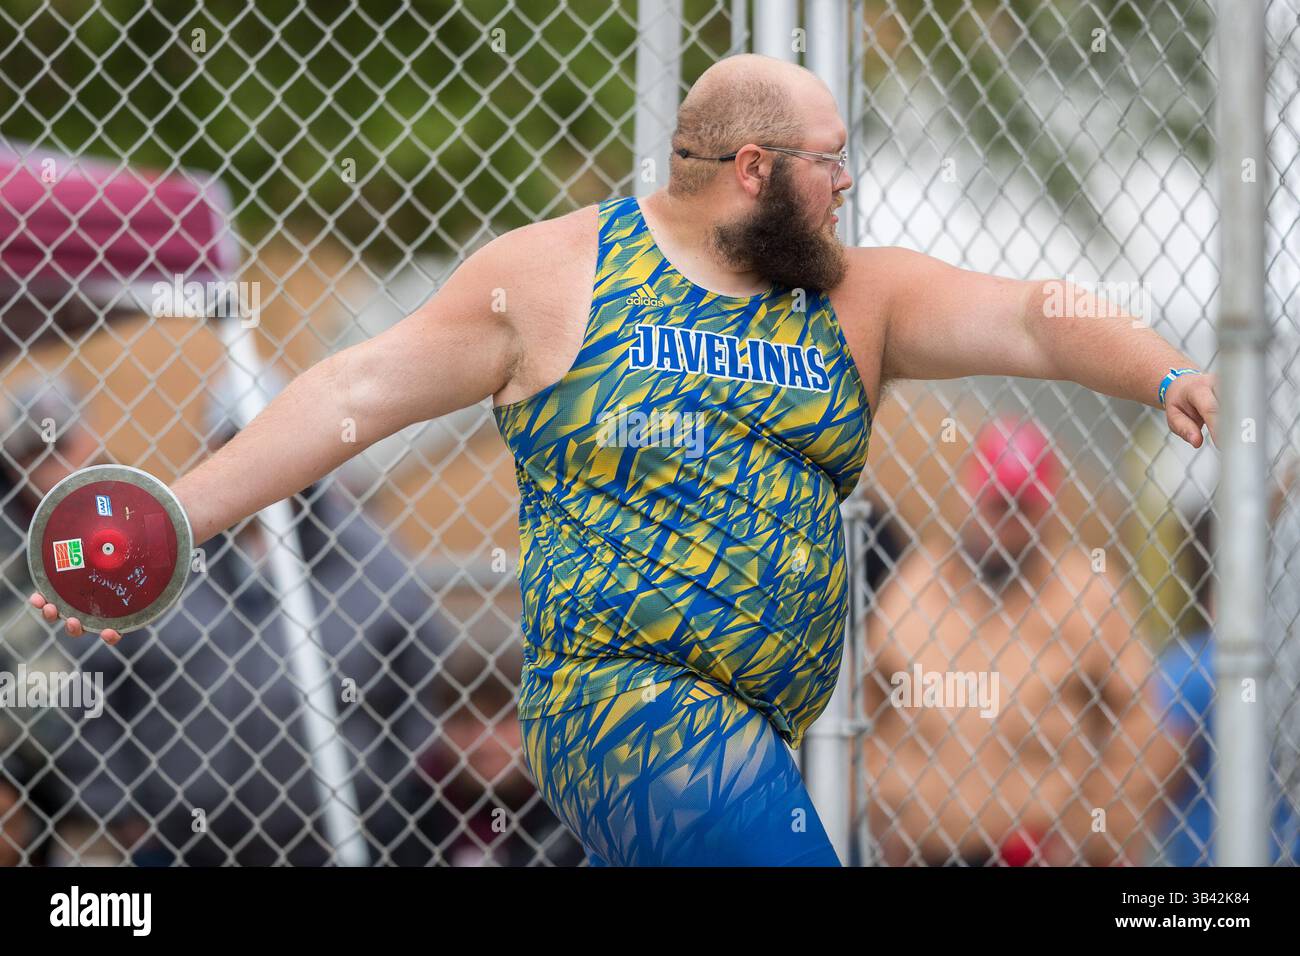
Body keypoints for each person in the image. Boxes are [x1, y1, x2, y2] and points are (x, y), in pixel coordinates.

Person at [31, 53, 1219, 866]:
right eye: (828, 158)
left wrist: (1163, 372)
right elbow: (351, 393)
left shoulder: (862, 301)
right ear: (751, 169)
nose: (848, 182)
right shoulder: (554, 276)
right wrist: (173, 517)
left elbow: (1035, 313)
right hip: (626, 702)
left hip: (756, 724)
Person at [51, 368, 450, 864]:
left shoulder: (371, 562)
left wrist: (380, 799)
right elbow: (91, 686)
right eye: (235, 443)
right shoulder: (157, 563)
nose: (260, 467)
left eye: (281, 447)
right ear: (210, 452)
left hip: (334, 841)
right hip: (177, 845)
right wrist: (116, 808)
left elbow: (417, 692)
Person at [865, 418, 1181, 865]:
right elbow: (866, 711)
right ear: (968, 496)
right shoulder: (915, 585)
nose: (1007, 523)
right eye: (996, 504)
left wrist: (1093, 834)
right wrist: (883, 813)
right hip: (923, 851)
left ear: (1048, 510)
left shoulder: (1088, 595)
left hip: (1034, 852)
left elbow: (1141, 729)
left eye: (1023, 507)